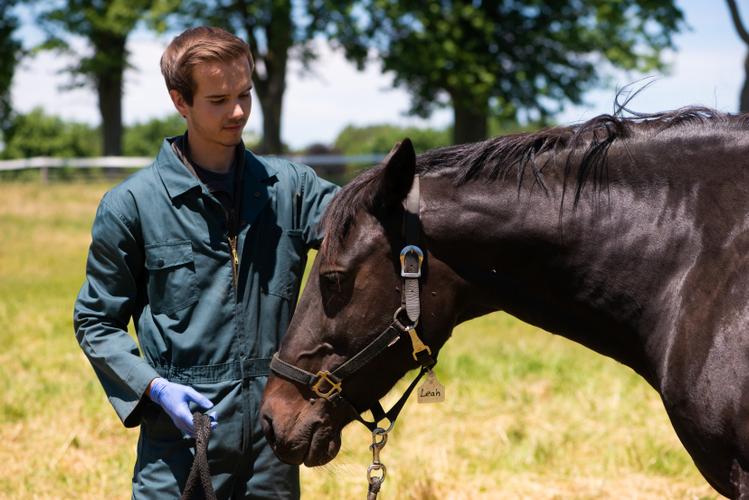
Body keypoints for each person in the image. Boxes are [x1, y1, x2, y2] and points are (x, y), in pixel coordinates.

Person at [73, 26, 339, 499]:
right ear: (180, 100)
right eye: (218, 100)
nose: (237, 112)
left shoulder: (292, 189)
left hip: (272, 439)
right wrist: (155, 388)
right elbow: (95, 321)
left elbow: (365, 224)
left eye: (245, 94)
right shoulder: (131, 205)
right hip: (179, 445)